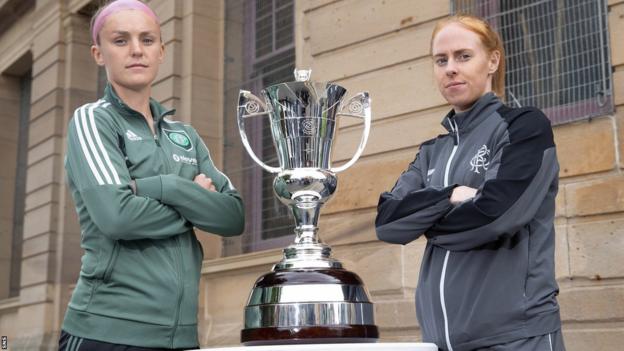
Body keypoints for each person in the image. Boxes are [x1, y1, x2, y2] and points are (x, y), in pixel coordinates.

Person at [58, 1, 245, 350]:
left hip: (181, 336)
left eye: (146, 40)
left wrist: (162, 187)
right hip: (106, 333)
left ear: (161, 51)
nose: (135, 51)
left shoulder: (185, 136)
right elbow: (118, 218)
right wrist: (192, 200)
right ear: (99, 54)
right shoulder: (93, 121)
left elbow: (233, 217)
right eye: (120, 40)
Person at [375, 14, 565, 351]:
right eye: (441, 59)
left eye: (464, 56)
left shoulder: (524, 128)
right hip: (441, 342)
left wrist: (424, 223)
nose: (450, 68)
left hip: (516, 338)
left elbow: (495, 216)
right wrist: (450, 196)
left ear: (492, 60)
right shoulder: (431, 151)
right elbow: (388, 222)